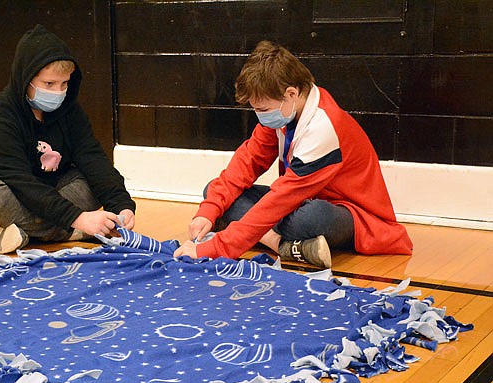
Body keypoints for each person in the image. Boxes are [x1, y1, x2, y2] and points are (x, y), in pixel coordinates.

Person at [174, 40, 412, 267]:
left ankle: (271, 238)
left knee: (311, 217)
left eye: (263, 109)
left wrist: (215, 248)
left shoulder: (324, 127)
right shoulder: (284, 114)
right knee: (214, 191)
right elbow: (246, 163)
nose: (260, 116)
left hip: (348, 214)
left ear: (291, 94)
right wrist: (207, 212)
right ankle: (281, 244)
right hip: (297, 202)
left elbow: (281, 199)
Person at [0, 25, 136, 253]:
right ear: (25, 79)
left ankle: (16, 232)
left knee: (90, 183)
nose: (58, 92)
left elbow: (93, 157)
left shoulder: (70, 111)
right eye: (49, 84)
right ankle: (74, 233)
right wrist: (78, 220)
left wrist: (122, 205)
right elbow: (22, 184)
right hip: (2, 193)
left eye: (64, 84)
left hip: (50, 193)